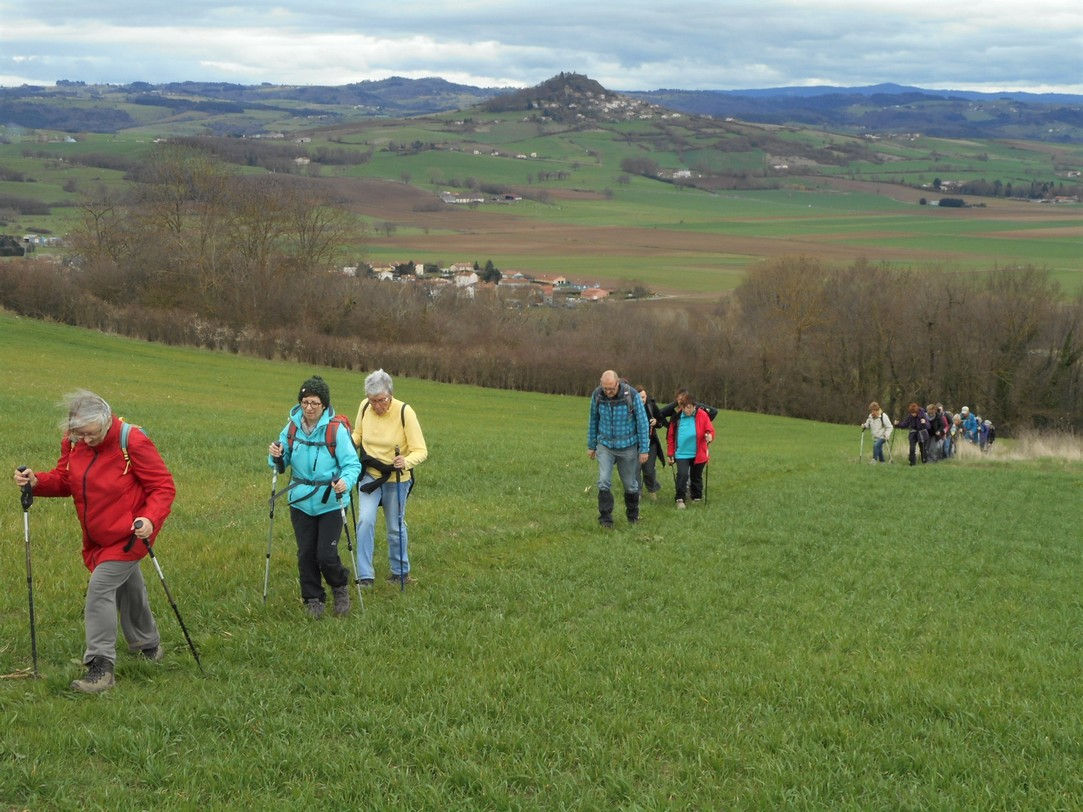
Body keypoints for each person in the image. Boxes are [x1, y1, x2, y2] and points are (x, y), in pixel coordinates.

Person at [12, 390, 175, 693]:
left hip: (130, 535)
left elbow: (163, 486)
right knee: (128, 585)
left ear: (106, 421)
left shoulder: (131, 441)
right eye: (79, 435)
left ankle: (101, 668)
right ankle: (148, 645)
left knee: (101, 588)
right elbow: (66, 480)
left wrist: (150, 519)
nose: (85, 440)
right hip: (97, 536)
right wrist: (36, 482)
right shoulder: (74, 442)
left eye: (91, 434)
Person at [269, 375, 361, 619]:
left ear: (324, 405)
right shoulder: (291, 427)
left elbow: (352, 464)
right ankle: (312, 598)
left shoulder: (335, 430)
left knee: (326, 555)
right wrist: (276, 454)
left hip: (331, 501)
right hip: (300, 501)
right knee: (306, 553)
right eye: (305, 402)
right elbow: (281, 460)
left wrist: (345, 481)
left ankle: (340, 587)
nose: (309, 408)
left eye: (314, 403)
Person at [351, 369, 427, 585]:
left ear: (390, 395)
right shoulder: (364, 407)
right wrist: (346, 445)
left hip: (396, 479)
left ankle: (400, 572)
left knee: (395, 527)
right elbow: (358, 435)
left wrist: (406, 461)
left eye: (381, 400)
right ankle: (365, 576)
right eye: (372, 400)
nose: (377, 406)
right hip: (370, 476)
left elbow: (421, 450)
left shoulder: (405, 412)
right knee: (365, 521)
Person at [587, 370, 650, 527]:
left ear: (618, 383)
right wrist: (591, 445)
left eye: (611, 388)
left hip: (627, 446)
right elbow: (593, 420)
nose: (608, 392)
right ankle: (605, 519)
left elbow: (642, 423)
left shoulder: (632, 395)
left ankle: (633, 516)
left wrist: (644, 449)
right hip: (605, 445)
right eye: (605, 388)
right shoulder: (597, 395)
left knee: (630, 484)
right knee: (603, 481)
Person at [666, 392, 714, 507]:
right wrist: (670, 453)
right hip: (681, 453)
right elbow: (671, 437)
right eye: (684, 407)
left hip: (698, 452)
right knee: (682, 475)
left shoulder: (702, 415)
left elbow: (710, 429)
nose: (686, 410)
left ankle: (696, 497)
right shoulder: (676, 417)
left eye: (689, 407)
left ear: (694, 406)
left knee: (696, 476)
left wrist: (709, 435)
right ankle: (680, 499)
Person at [635, 385, 667, 499]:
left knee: (648, 470)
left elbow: (661, 421)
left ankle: (652, 489)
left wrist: (656, 422)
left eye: (643, 397)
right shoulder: (631, 408)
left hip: (651, 443)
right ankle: (637, 493)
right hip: (635, 444)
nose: (642, 400)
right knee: (635, 469)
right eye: (639, 397)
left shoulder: (651, 406)